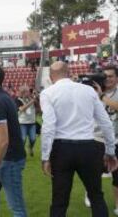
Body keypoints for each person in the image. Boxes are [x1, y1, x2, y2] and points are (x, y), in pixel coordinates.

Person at [40, 61, 118, 217]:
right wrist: (110, 151)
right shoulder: (88, 91)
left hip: (62, 149)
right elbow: (106, 123)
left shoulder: (48, 93)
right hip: (88, 148)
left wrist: (45, 157)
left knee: (59, 201)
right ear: (68, 72)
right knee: (96, 196)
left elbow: (49, 127)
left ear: (51, 77)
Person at [0, 65, 27, 217]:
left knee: (17, 207)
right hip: (4, 157)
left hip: (9, 159)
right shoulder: (4, 97)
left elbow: (3, 140)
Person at [84, 65, 118, 215]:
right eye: (105, 76)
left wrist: (101, 96)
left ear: (117, 78)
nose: (108, 79)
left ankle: (117, 205)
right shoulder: (91, 94)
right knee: (94, 172)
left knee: (117, 175)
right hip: (97, 138)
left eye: (111, 76)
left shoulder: (103, 95)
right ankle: (89, 193)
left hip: (116, 139)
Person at [16, 85, 38, 157]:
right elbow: (22, 109)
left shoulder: (31, 99)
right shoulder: (18, 100)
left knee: (33, 139)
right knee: (22, 139)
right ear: (23, 93)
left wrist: (37, 99)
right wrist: (31, 102)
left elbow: (38, 109)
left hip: (32, 122)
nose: (29, 93)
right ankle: (21, 152)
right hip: (22, 123)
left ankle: (30, 148)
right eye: (27, 92)